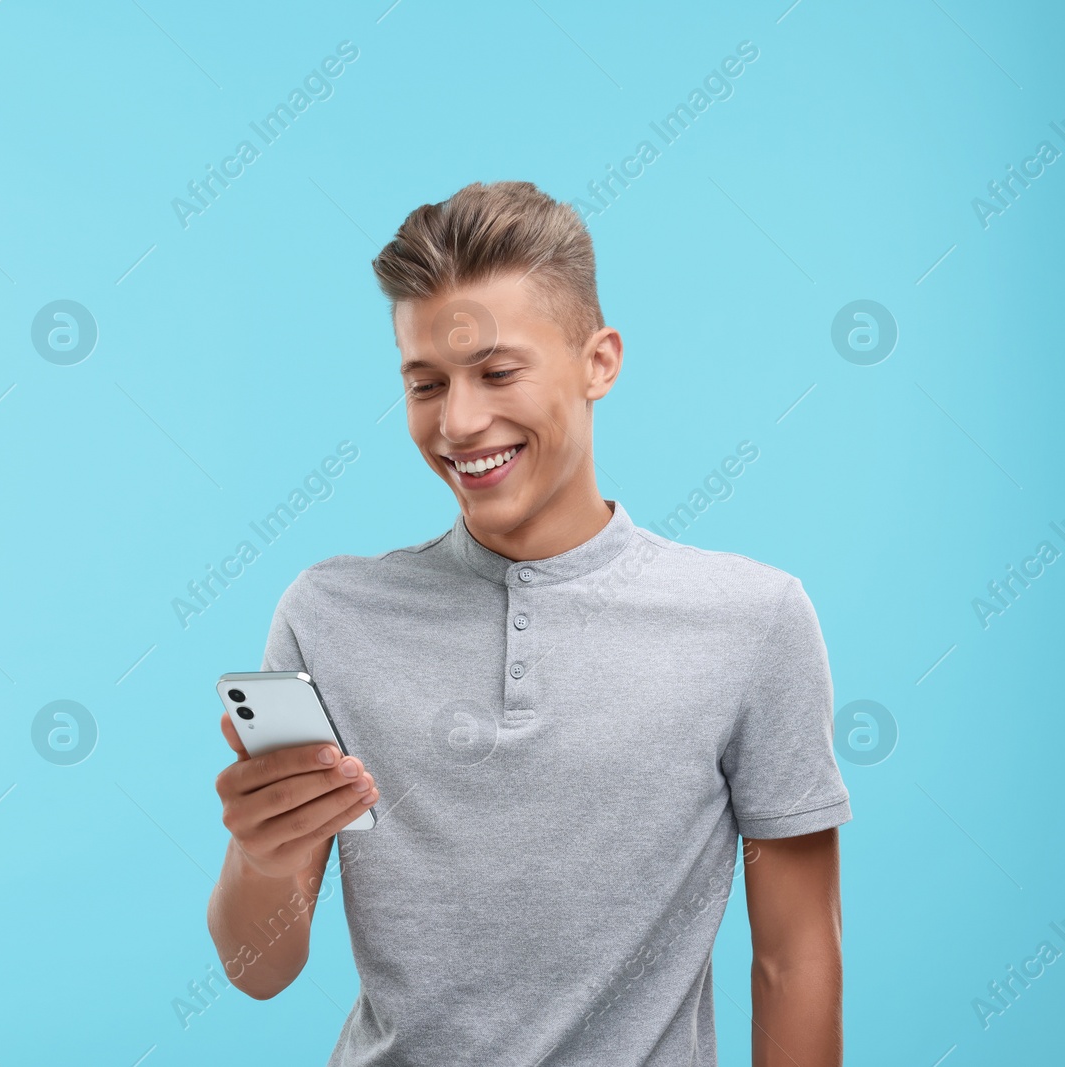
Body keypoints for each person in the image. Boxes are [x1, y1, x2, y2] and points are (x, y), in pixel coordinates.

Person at [207, 180, 851, 1066]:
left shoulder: (755, 621)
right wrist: (262, 855)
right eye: (425, 383)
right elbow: (259, 969)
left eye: (498, 372)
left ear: (599, 361)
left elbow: (794, 955)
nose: (460, 422)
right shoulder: (327, 614)